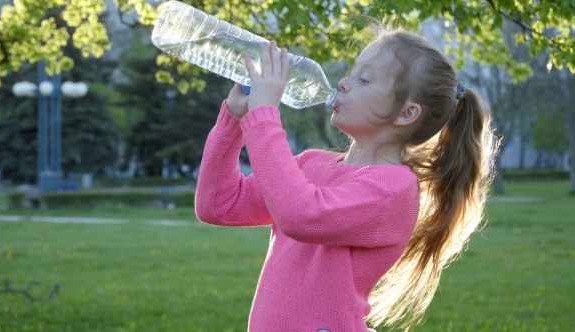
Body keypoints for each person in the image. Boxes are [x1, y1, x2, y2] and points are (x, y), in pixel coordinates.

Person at [195, 28, 498, 331]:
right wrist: (234, 119)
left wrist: (263, 116)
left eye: (363, 79)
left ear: (406, 113)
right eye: (353, 73)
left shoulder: (392, 191)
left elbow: (301, 215)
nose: (343, 82)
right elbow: (219, 204)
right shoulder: (312, 165)